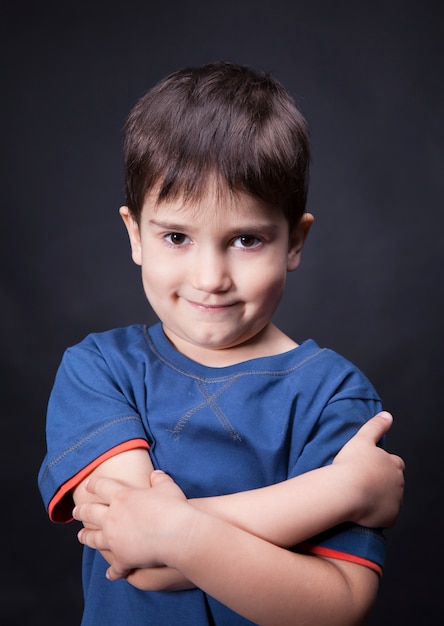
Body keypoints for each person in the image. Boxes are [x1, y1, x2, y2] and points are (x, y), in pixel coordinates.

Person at [38, 61, 404, 626]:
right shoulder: (100, 370)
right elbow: (134, 555)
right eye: (177, 236)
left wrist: (175, 530)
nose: (211, 277)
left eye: (246, 239)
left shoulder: (335, 398)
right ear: (136, 235)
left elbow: (335, 607)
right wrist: (339, 491)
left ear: (294, 241)